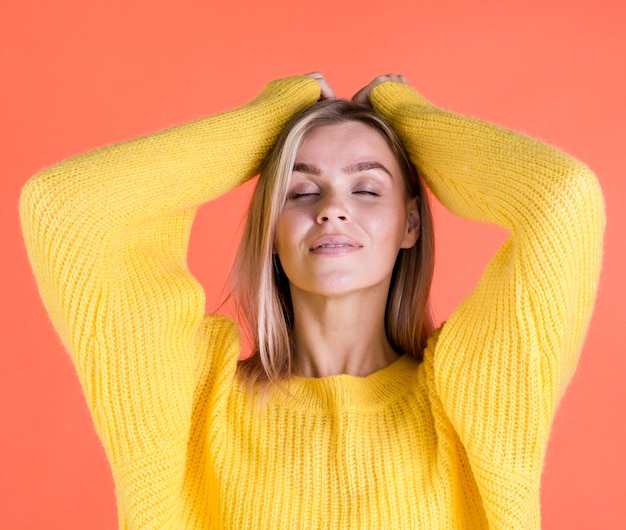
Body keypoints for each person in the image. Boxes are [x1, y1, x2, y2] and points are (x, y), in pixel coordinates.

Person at [20, 73, 605, 529]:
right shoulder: (191, 397)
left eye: (367, 188)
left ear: (410, 224)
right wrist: (272, 117)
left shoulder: (470, 401)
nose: (332, 208)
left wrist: (401, 111)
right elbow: (64, 208)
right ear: (271, 228)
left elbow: (563, 200)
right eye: (301, 190)